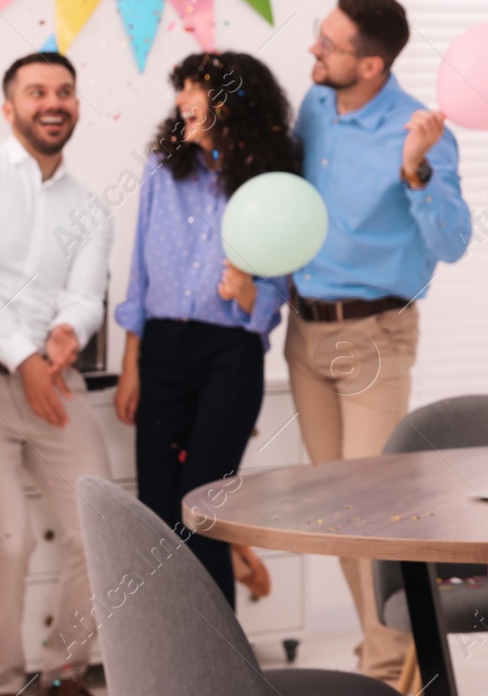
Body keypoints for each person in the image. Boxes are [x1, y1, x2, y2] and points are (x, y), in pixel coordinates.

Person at [287, 0, 471, 681]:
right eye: (320, 35)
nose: (314, 48)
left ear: (370, 65)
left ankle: (390, 667)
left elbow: (452, 242)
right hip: (303, 331)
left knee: (369, 514)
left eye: (329, 45)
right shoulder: (316, 107)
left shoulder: (421, 130)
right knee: (333, 513)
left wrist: (415, 168)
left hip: (375, 337)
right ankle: (387, 651)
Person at [0, 52, 112, 696]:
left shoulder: (91, 205)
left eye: (65, 90)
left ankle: (65, 673)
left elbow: (86, 295)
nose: (53, 102)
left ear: (77, 105)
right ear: (9, 108)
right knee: (6, 542)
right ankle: (1, 682)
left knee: (103, 527)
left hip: (57, 383)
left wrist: (67, 334)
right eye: (37, 92)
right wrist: (25, 359)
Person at [113, 51, 299, 605]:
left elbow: (284, 275)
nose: (181, 100)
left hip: (230, 353)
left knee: (205, 509)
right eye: (181, 87)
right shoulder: (162, 169)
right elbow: (138, 274)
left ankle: (216, 667)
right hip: (163, 349)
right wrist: (131, 366)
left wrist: (252, 294)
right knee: (157, 511)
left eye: (196, 88)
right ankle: (166, 661)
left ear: (233, 103)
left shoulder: (273, 182)